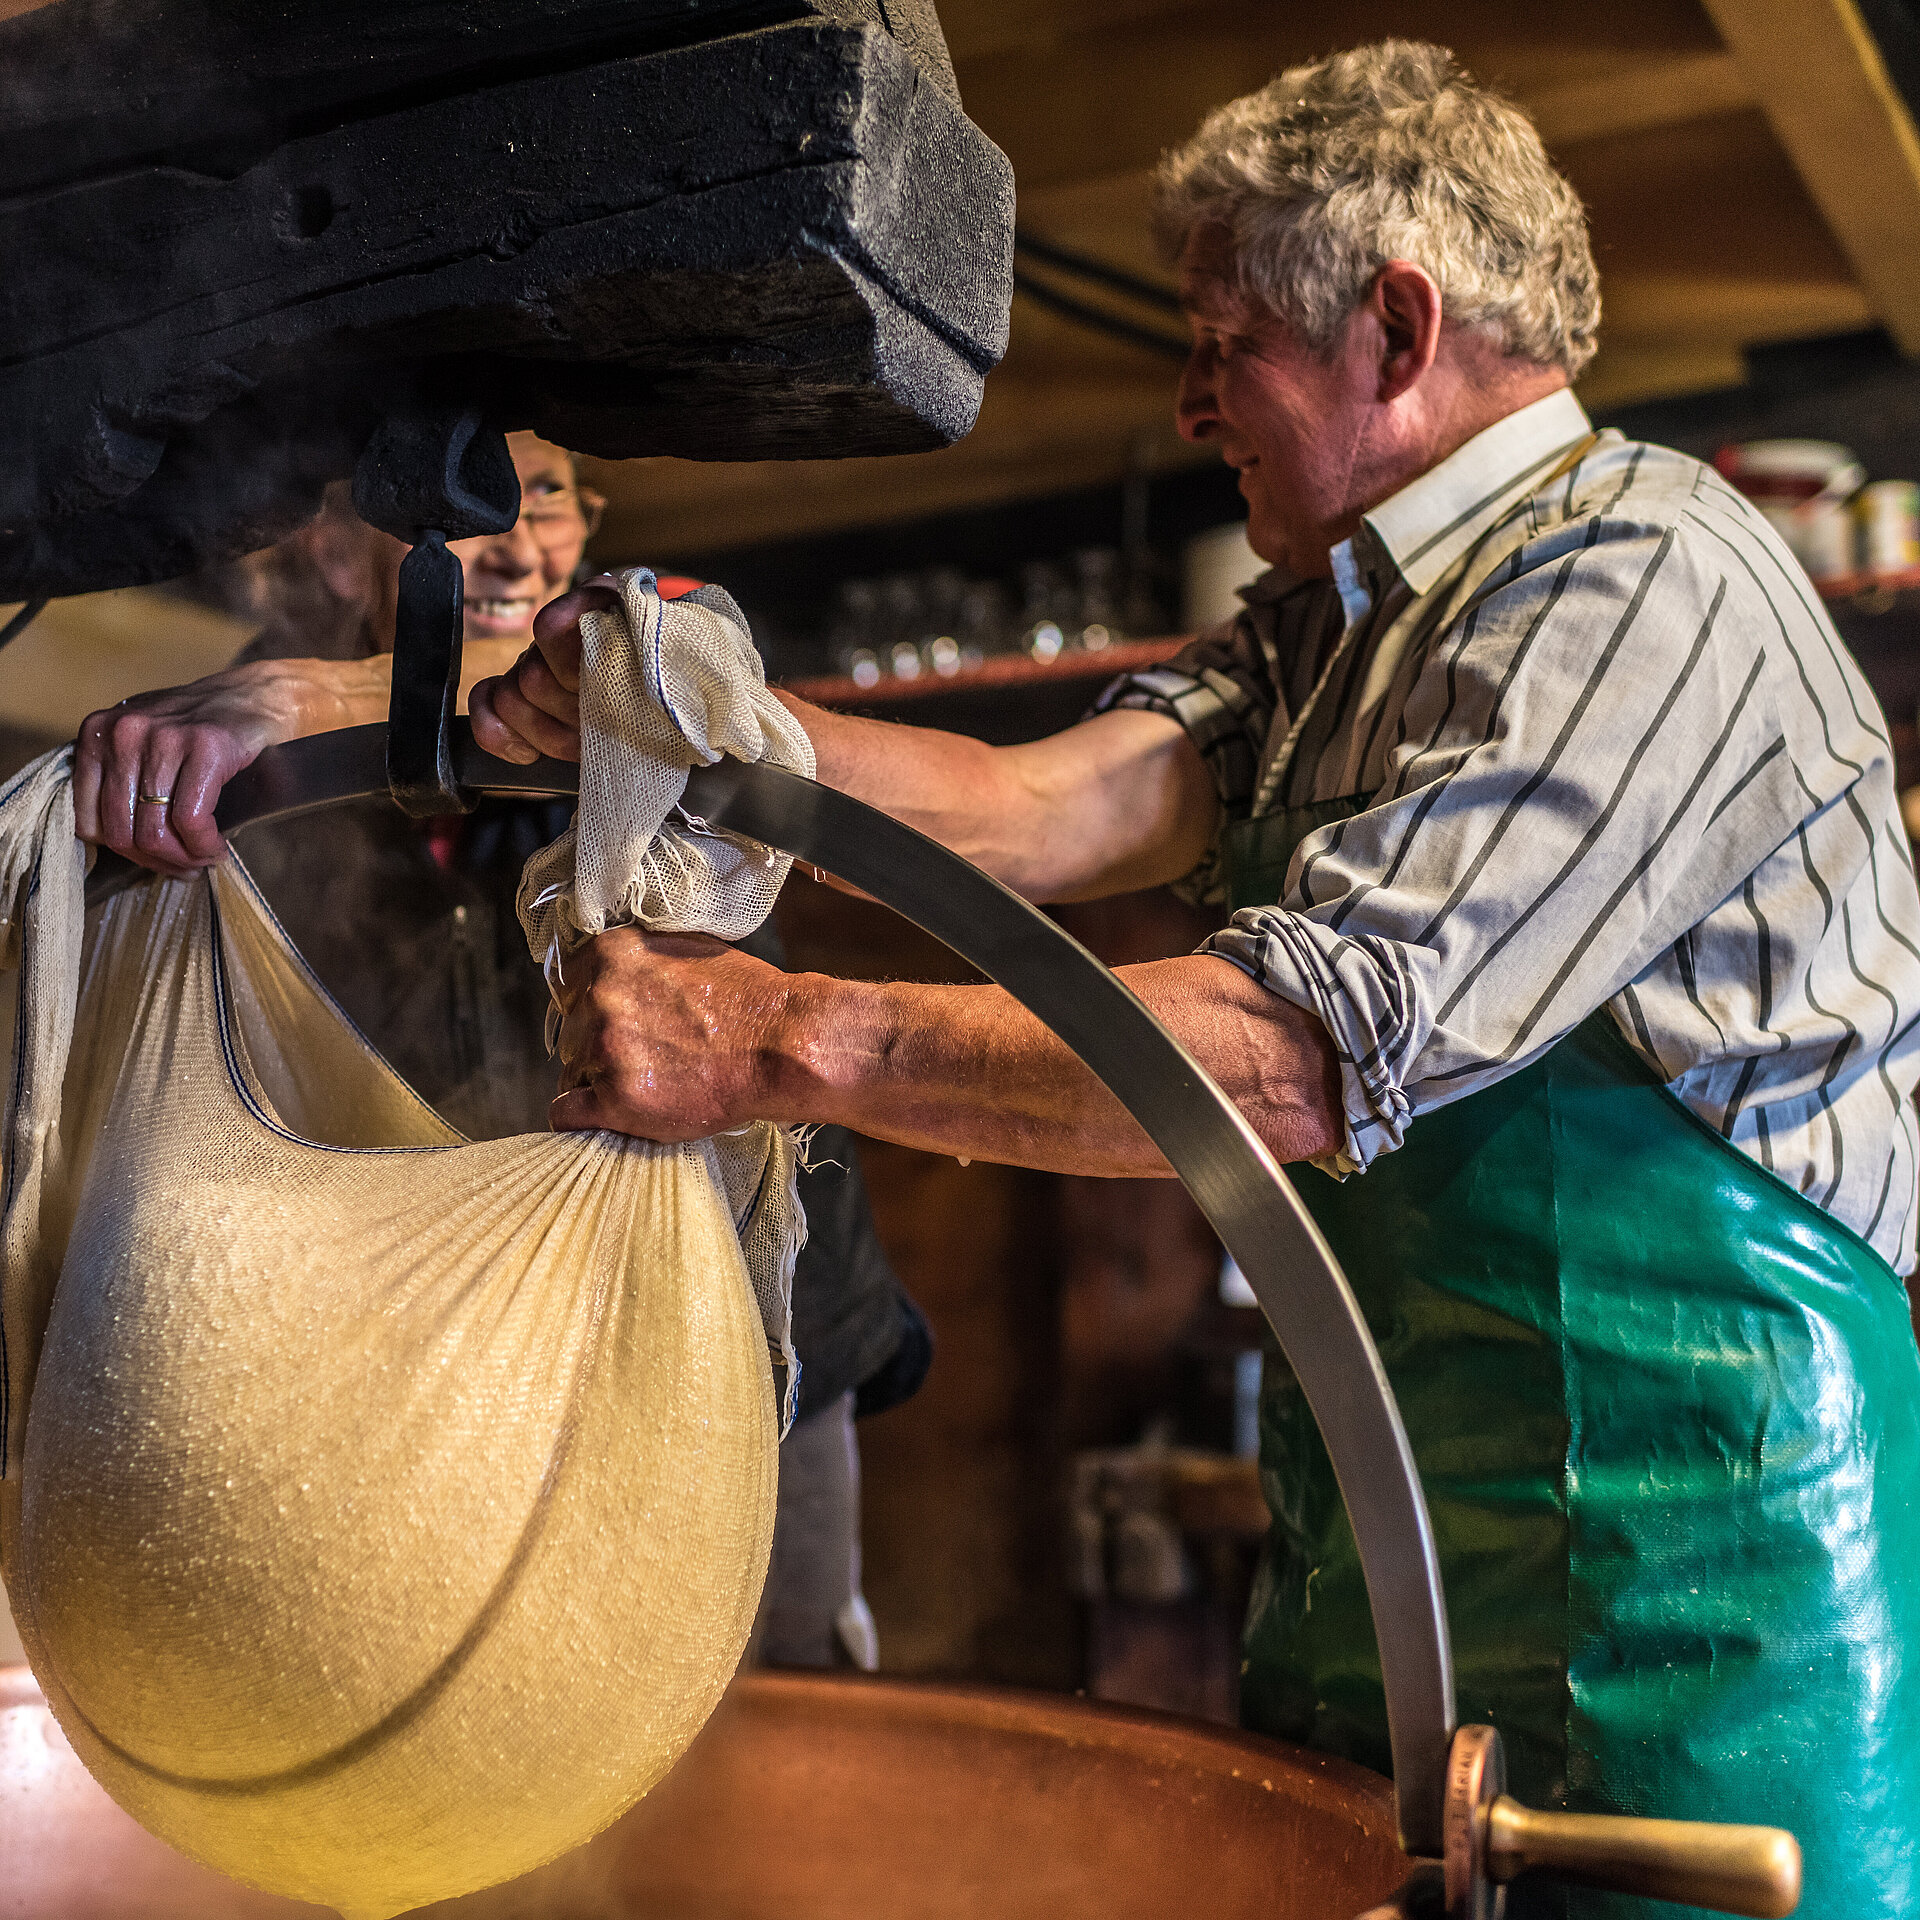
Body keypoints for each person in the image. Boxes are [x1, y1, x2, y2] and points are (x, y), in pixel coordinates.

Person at [456, 43, 1920, 1919]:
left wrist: (770, 1036)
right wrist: (697, 713)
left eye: (1224, 340)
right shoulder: (1342, 622)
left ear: (1394, 323)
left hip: (1696, 1634)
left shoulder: (1640, 582)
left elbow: (1289, 1059)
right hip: (1398, 1594)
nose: (1185, 398)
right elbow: (1035, 809)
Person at [72, 431, 928, 1673]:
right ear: (326, 535)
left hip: (734, 1335)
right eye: (480, 503)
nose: (524, 544)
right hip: (405, 1384)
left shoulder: (642, 668)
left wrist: (312, 694)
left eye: (552, 500)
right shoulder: (222, 771)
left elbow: (617, 655)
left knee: (777, 1698)